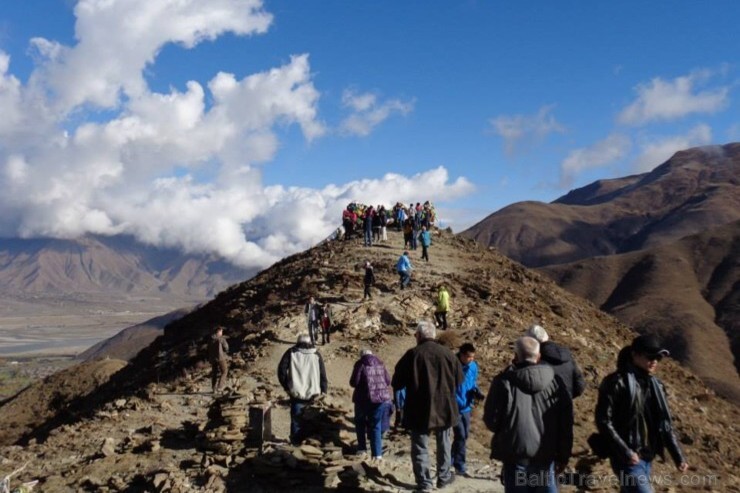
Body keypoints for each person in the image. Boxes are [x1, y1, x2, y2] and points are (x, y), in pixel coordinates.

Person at [595, 335, 688, 493]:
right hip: (626, 457)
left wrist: (678, 456)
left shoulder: (656, 386)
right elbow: (603, 420)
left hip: (647, 456)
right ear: (634, 355)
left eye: (658, 357)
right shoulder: (616, 382)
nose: (654, 361)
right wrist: (626, 452)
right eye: (650, 356)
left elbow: (665, 423)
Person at [483, 336, 573, 493]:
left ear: (515, 356)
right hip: (547, 455)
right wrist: (564, 455)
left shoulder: (504, 382)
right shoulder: (556, 382)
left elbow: (492, 421)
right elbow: (566, 422)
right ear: (538, 357)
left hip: (516, 455)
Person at [392, 321, 463, 491]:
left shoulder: (412, 354)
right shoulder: (448, 354)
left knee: (420, 446)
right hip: (445, 407)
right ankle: (444, 477)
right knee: (444, 443)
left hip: (419, 408)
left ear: (419, 336)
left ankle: (425, 483)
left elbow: (397, 382)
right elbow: (459, 380)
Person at [277, 334, 328, 445]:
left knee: (296, 421)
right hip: (314, 394)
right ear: (310, 342)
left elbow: (281, 371)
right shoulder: (316, 354)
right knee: (312, 422)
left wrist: (287, 387)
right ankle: (309, 446)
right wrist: (324, 390)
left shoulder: (291, 353)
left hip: (296, 393)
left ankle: (295, 445)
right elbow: (322, 374)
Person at [350, 349, 393, 461]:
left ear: (361, 356)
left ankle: (362, 449)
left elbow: (354, 382)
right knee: (375, 425)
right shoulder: (380, 364)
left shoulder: (360, 364)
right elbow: (388, 381)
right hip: (379, 399)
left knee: (360, 423)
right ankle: (377, 454)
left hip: (362, 399)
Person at [525, 324, 586, 398]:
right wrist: (566, 398)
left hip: (545, 408)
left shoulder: (536, 363)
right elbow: (580, 385)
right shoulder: (567, 357)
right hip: (565, 407)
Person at [452, 343, 483, 477]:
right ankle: (460, 466)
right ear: (462, 354)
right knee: (460, 435)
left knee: (464, 436)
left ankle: (451, 461)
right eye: (468, 357)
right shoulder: (452, 365)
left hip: (467, 406)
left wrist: (477, 391)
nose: (471, 359)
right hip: (455, 406)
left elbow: (473, 381)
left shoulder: (473, 366)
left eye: (472, 357)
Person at [208, 326, 229, 394]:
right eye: (221, 331)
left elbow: (208, 349)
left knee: (214, 373)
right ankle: (220, 387)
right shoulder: (221, 339)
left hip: (213, 358)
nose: (222, 332)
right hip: (220, 357)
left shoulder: (211, 339)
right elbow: (226, 347)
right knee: (224, 371)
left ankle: (213, 388)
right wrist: (225, 352)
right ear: (219, 331)